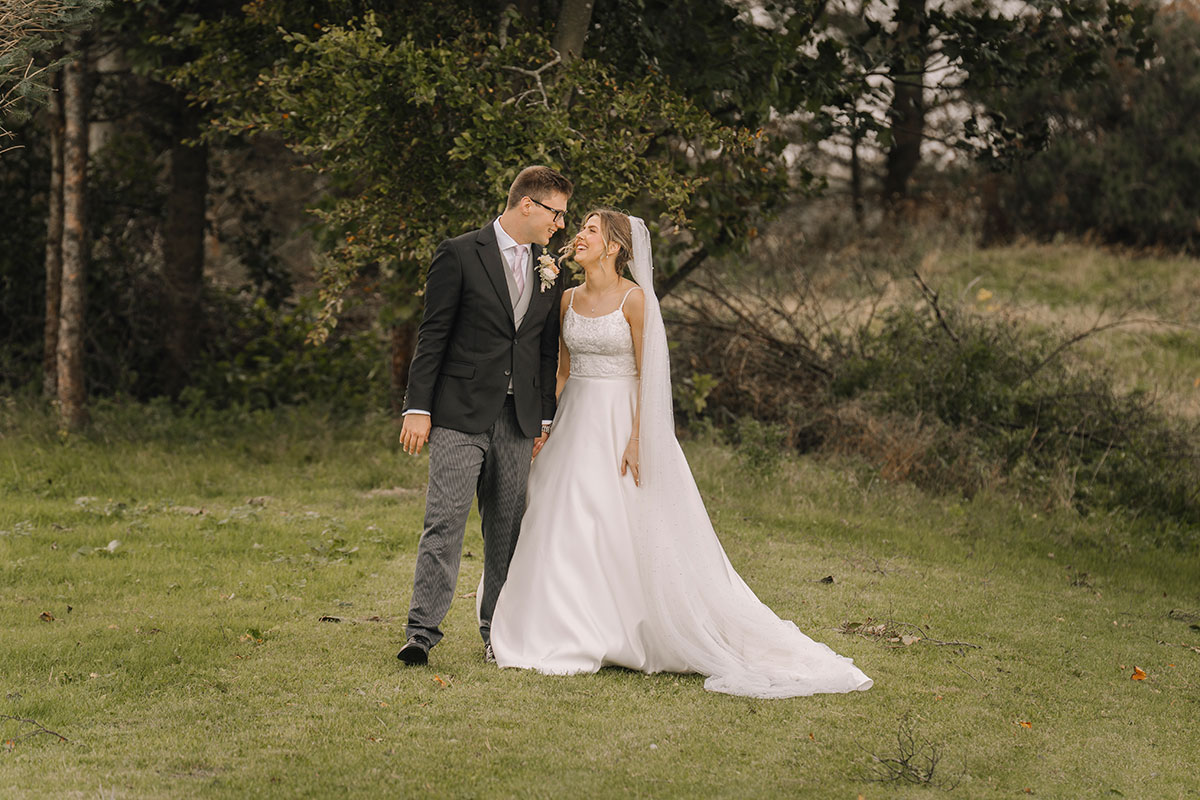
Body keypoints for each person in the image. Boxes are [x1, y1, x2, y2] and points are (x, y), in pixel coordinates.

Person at [488, 210, 873, 698]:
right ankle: (561, 623)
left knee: (617, 520)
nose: (578, 235)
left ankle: (628, 626)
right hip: (574, 423)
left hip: (621, 420)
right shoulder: (565, 299)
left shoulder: (635, 301)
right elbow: (562, 371)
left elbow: (650, 376)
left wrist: (637, 439)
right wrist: (545, 425)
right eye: (579, 227)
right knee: (561, 516)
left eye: (589, 229)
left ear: (613, 247)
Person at [396, 166, 572, 666]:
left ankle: (500, 632)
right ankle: (421, 633)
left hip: (518, 421)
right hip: (457, 414)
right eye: (555, 213)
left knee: (508, 529)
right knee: (444, 521)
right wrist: (418, 407)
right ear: (527, 206)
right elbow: (433, 334)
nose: (560, 224)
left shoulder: (550, 269)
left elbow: (542, 350)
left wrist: (543, 419)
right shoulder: (458, 253)